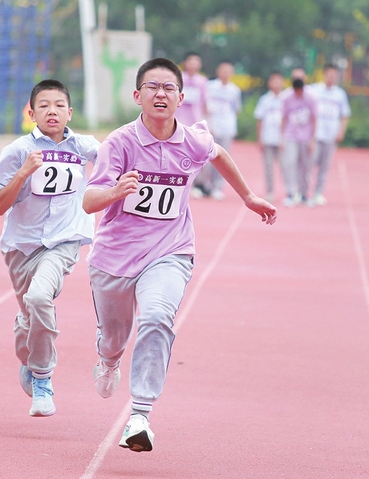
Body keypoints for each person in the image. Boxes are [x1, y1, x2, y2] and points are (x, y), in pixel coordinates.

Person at [83, 58, 276, 453]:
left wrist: (248, 196)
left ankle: (139, 415)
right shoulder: (119, 144)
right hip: (114, 258)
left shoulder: (192, 140)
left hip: (170, 251)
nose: (160, 94)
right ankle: (108, 358)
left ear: (181, 98)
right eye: (152, 87)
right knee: (115, 337)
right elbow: (89, 201)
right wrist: (116, 191)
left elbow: (218, 153)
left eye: (169, 88)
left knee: (157, 317)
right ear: (138, 96)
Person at [0, 79, 99, 417]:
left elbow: (122, 154)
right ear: (32, 112)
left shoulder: (84, 147)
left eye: (58, 105)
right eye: (43, 105)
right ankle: (28, 348)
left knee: (39, 299)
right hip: (21, 246)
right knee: (29, 312)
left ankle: (42, 378)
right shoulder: (18, 150)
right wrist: (24, 172)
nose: (51, 111)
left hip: (64, 241)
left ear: (69, 111)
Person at [307, 63, 351, 206]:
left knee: (324, 167)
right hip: (315, 135)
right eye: (329, 74)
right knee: (310, 163)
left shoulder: (340, 94)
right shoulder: (314, 90)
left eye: (334, 75)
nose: (331, 77)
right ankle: (304, 192)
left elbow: (344, 115)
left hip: (330, 135)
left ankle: (318, 193)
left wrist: (341, 131)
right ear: (324, 74)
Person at [202, 62, 242, 200]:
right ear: (218, 71)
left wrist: (232, 127)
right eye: (223, 71)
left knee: (223, 159)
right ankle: (203, 185)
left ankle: (217, 187)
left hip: (226, 128)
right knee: (205, 157)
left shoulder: (234, 90)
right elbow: (204, 105)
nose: (225, 73)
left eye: (228, 71)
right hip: (211, 127)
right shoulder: (210, 86)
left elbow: (235, 110)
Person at [280, 78, 318, 207]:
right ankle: (291, 193)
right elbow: (284, 118)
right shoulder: (287, 98)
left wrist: (313, 139)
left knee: (305, 166)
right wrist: (281, 138)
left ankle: (304, 194)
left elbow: (314, 119)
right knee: (289, 164)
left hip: (306, 137)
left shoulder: (310, 98)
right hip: (291, 136)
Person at [253, 72, 286, 201]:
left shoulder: (287, 99)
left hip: (283, 139)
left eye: (279, 81)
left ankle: (289, 192)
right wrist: (259, 139)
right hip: (268, 137)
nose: (276, 84)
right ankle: (270, 191)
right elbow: (260, 120)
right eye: (274, 81)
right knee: (268, 167)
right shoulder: (264, 100)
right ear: (269, 83)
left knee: (286, 166)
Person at [177, 52, 208, 128]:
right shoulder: (178, 78)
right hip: (178, 119)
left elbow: (205, 101)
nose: (193, 65)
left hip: (195, 120)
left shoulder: (202, 81)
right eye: (191, 62)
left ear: (200, 65)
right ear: (185, 63)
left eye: (196, 62)